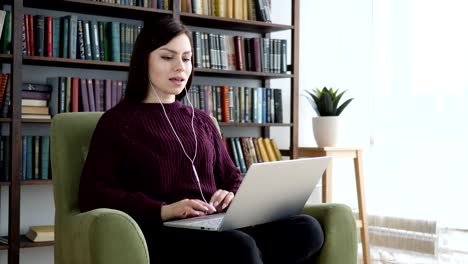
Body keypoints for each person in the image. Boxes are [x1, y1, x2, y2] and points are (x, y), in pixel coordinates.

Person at [78, 16, 324, 264]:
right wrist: (164, 210)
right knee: (240, 246)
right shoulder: (117, 122)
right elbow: (92, 193)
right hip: (164, 231)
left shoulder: (202, 120)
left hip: (216, 225)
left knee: (307, 228)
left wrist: (231, 195)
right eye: (167, 57)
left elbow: (232, 176)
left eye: (186, 58)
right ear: (144, 61)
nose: (180, 67)